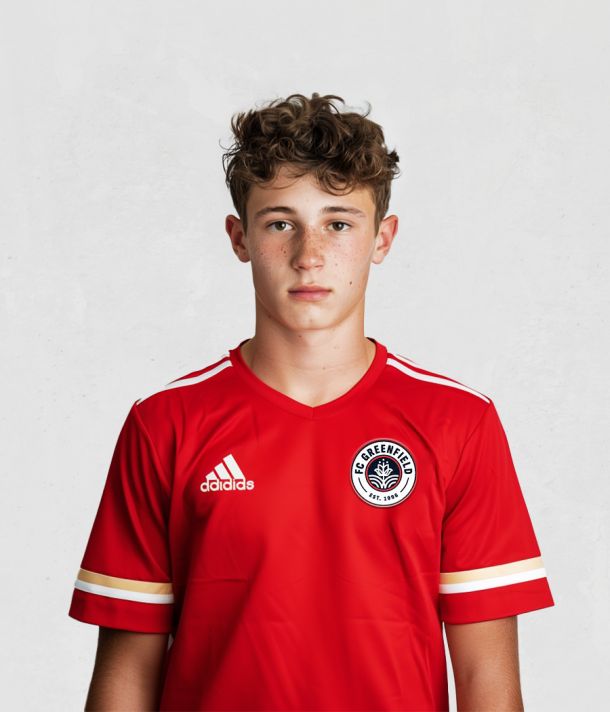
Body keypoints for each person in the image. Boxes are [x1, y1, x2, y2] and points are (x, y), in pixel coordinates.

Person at [69, 92, 555, 711]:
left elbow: (488, 680)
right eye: (280, 223)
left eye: (338, 223)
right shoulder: (165, 424)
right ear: (240, 238)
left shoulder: (459, 422)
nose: (309, 256)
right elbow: (127, 675)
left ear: (382, 239)